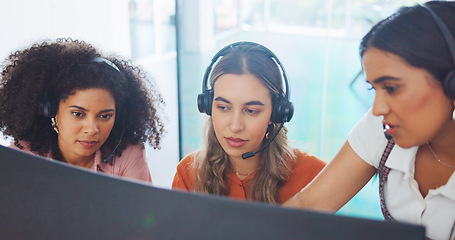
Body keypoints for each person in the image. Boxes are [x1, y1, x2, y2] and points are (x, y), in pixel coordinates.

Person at [284, 1, 455, 239]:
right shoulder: (383, 126)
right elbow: (308, 205)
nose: (377, 109)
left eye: (392, 88)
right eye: (373, 89)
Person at [172, 42, 326, 204]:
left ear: (276, 113)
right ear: (208, 106)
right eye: (223, 107)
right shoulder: (188, 174)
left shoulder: (315, 176)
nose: (235, 126)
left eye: (251, 111)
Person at [0, 38, 165, 183]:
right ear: (51, 111)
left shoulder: (128, 154)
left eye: (105, 116)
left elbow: (139, 217)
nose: (92, 129)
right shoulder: (22, 157)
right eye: (78, 114)